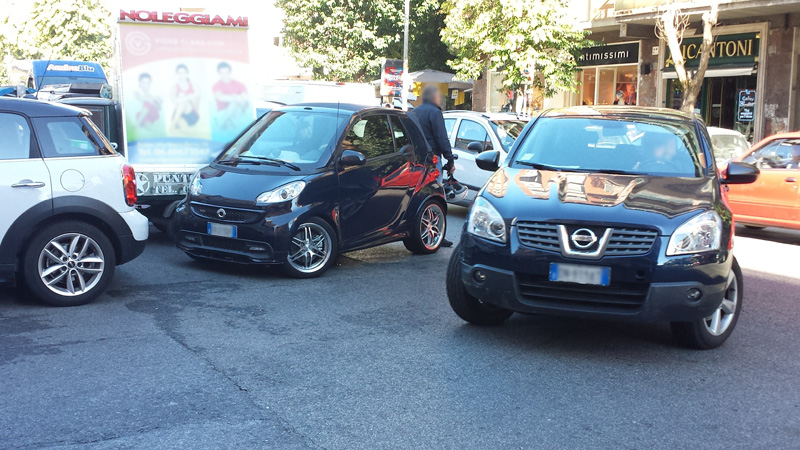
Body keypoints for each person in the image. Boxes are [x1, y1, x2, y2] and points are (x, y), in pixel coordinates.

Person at [411, 84, 455, 247]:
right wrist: (450, 159)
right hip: (432, 159)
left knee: (421, 197)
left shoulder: (415, 112)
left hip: (417, 160)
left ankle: (421, 230)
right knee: (436, 197)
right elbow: (441, 138)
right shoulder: (435, 113)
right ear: (434, 97)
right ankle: (436, 233)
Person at [212, 62, 249, 130]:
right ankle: (227, 123)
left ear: (230, 72)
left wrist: (233, 97)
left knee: (237, 105)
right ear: (219, 73)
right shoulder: (216, 85)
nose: (225, 75)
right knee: (235, 103)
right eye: (222, 73)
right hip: (223, 111)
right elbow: (220, 97)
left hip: (239, 111)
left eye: (227, 72)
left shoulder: (239, 84)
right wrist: (236, 97)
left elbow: (245, 98)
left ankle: (223, 124)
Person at [171, 64, 200, 132]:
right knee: (182, 96)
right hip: (179, 115)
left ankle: (173, 124)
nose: (182, 75)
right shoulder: (174, 88)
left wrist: (192, 100)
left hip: (191, 115)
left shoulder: (195, 87)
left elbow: (197, 107)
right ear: (177, 74)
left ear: (187, 74)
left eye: (184, 73)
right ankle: (175, 123)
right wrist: (188, 97)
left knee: (182, 97)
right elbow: (175, 101)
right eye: (180, 73)